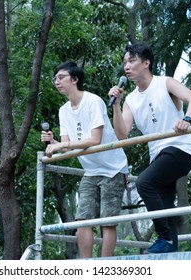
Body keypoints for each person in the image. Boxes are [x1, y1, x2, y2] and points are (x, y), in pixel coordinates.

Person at [108, 42, 191, 254]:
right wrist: (115, 104)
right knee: (165, 206)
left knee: (144, 182)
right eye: (125, 62)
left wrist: (187, 119)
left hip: (180, 148)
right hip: (158, 156)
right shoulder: (130, 99)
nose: (127, 66)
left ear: (146, 63)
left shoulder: (165, 83)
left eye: (132, 61)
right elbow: (122, 133)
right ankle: (171, 251)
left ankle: (164, 238)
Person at [41, 61, 129, 258]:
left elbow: (95, 140)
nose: (57, 81)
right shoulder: (63, 110)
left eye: (61, 77)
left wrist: (61, 145)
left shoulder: (93, 101)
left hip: (114, 168)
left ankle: (104, 267)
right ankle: (85, 267)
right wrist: (53, 141)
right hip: (91, 171)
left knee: (107, 221)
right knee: (82, 220)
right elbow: (67, 144)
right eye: (54, 78)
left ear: (75, 79)